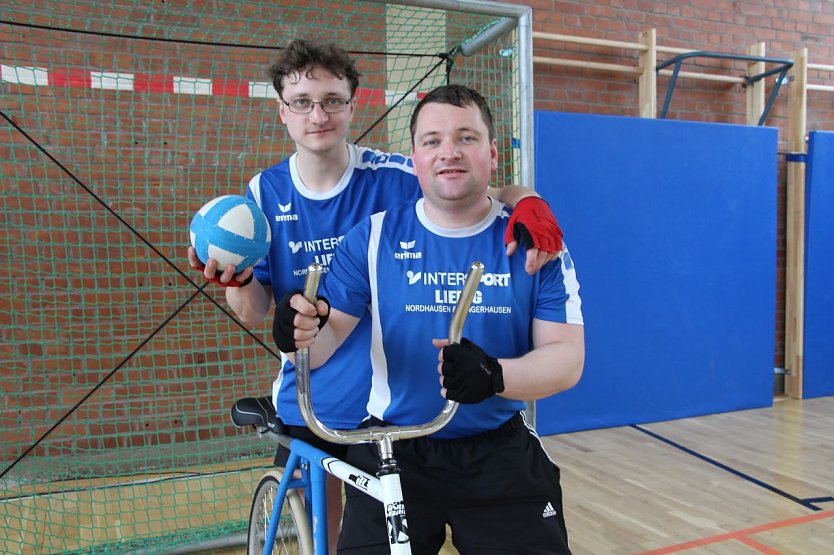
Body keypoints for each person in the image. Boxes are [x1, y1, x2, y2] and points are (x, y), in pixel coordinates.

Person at [187, 40, 566, 552]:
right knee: (330, 531)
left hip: (396, 394)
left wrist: (531, 201)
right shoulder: (263, 193)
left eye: (331, 100)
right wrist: (236, 282)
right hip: (317, 380)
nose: (317, 114)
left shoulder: (394, 175)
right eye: (301, 101)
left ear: (352, 105)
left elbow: (465, 183)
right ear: (282, 110)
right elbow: (258, 309)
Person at [276, 84, 584, 554]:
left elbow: (567, 359)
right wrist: (298, 334)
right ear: (415, 157)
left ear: (493, 153)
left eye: (466, 138)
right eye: (432, 141)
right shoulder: (374, 237)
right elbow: (325, 339)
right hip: (390, 449)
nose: (449, 153)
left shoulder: (535, 245)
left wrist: (496, 375)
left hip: (497, 451)